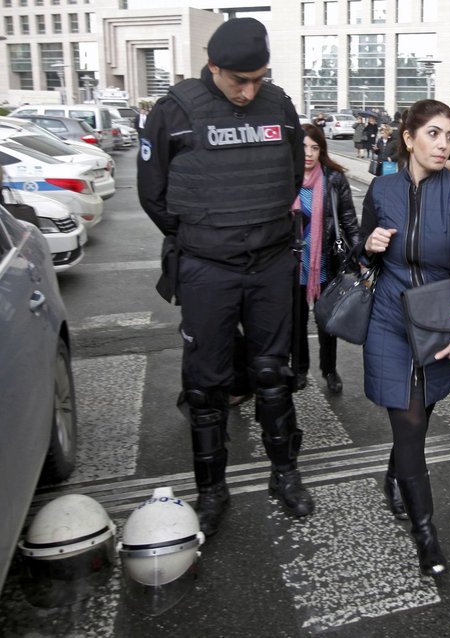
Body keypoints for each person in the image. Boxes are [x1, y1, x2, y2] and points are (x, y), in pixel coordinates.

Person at [137, 17, 313, 536]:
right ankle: (211, 490)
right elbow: (155, 196)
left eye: (258, 78)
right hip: (207, 268)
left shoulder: (279, 104)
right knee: (206, 386)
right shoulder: (174, 111)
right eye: (239, 80)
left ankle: (285, 475)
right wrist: (206, 235)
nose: (248, 90)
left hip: (271, 263)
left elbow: (288, 174)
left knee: (271, 376)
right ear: (213, 66)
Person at [358, 99, 450, 576]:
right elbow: (363, 253)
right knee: (409, 421)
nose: (442, 144)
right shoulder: (382, 188)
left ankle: (397, 471)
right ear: (409, 138)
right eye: (433, 133)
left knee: (423, 412)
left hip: (438, 319)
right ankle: (426, 534)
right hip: (390, 318)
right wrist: (368, 244)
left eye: (449, 136)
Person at [293, 123, 360, 393]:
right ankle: (298, 370)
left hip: (325, 262)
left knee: (326, 322)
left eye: (315, 147)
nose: (308, 153)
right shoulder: (286, 177)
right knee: (295, 323)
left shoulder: (333, 178)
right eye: (303, 147)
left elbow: (349, 221)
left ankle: (329, 370)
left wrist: (360, 254)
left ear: (322, 150)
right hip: (293, 263)